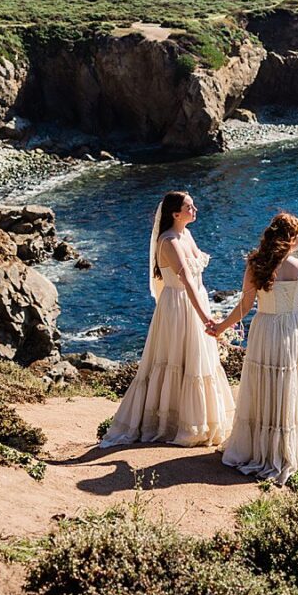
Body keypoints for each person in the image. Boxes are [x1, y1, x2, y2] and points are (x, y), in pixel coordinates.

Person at [99, 190, 234, 448]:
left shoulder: (186, 234)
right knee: (176, 360)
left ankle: (199, 421)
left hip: (194, 301)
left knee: (196, 361)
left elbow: (196, 279)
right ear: (175, 214)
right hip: (179, 306)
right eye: (189, 206)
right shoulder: (169, 241)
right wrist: (207, 318)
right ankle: (172, 425)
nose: (195, 209)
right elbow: (186, 282)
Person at [214, 212, 298, 482]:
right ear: (292, 240)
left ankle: (257, 448)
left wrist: (221, 327)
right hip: (293, 330)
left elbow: (244, 307)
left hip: (265, 329)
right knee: (286, 386)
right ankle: (280, 452)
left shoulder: (255, 264)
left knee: (262, 385)